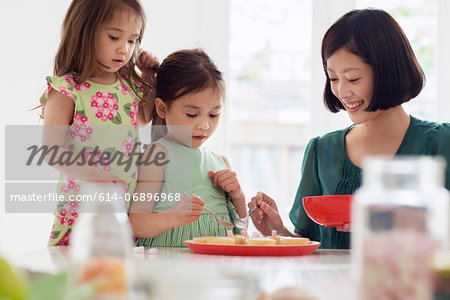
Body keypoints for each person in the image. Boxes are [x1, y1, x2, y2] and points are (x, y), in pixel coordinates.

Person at [249, 8, 450, 249]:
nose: (342, 92)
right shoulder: (321, 150)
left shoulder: (440, 143)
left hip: (410, 286)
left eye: (353, 79)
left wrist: (389, 226)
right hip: (329, 287)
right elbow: (311, 246)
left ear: (388, 72)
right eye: (333, 78)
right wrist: (277, 230)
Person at [39, 0, 159, 246]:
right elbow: (52, 151)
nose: (124, 50)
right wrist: (97, 176)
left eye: (131, 40)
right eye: (114, 37)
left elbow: (145, 118)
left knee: (115, 278)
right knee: (77, 277)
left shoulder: (129, 86)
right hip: (80, 211)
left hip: (121, 210)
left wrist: (149, 77)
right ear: (84, 32)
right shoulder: (67, 89)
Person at [128, 49, 247, 247]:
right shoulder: (158, 155)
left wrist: (238, 195)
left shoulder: (221, 162)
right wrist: (171, 217)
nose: (204, 125)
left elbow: (241, 229)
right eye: (192, 114)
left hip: (212, 269)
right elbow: (136, 223)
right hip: (167, 266)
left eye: (214, 114)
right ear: (162, 108)